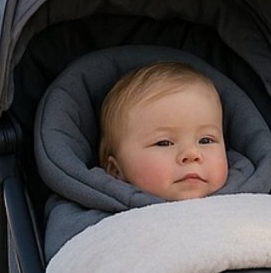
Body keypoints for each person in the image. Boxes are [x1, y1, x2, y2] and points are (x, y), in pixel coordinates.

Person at [98, 62, 229, 201]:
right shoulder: (100, 212)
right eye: (164, 143)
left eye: (206, 140)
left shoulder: (244, 199)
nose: (192, 154)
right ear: (116, 171)